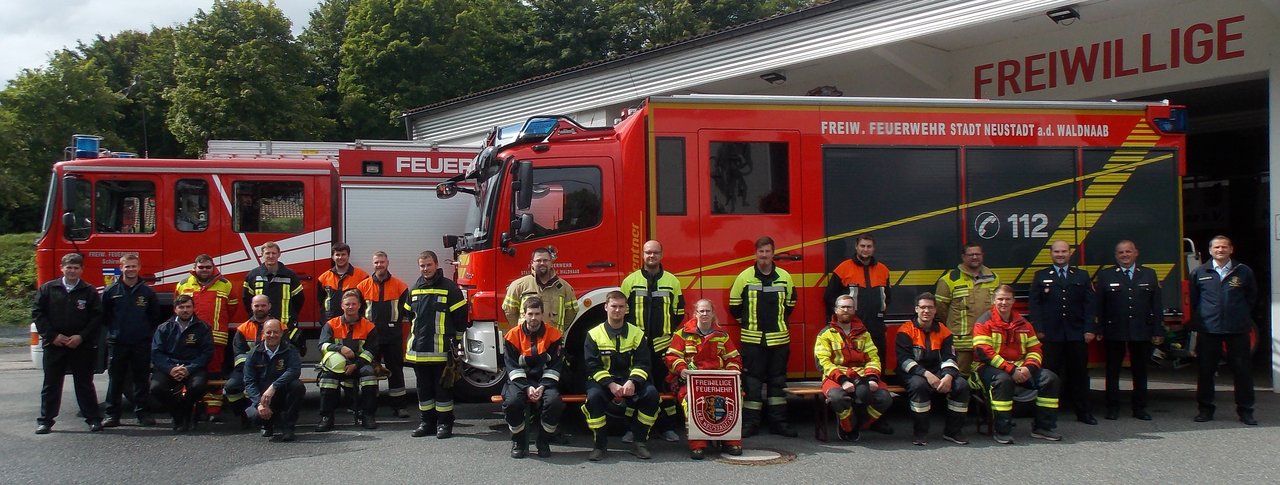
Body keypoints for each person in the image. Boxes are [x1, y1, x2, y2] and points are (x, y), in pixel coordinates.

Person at [973, 285, 1062, 444]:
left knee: (1050, 379)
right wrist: (1011, 369)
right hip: (987, 368)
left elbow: (1035, 349)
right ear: (994, 300)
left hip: (1021, 368)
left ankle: (1043, 427)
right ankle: (1002, 430)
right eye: (1000, 299)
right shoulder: (984, 322)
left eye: (1007, 299)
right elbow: (984, 352)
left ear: (1014, 300)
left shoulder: (1023, 323)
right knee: (1003, 381)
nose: (1003, 302)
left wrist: (1029, 368)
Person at [728, 236, 797, 437]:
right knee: (752, 384)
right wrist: (749, 323)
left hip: (779, 341)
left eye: (767, 252)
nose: (764, 256)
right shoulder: (744, 277)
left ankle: (779, 423)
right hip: (752, 341)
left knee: (778, 383)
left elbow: (790, 304)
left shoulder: (785, 276)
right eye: (761, 252)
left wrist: (777, 323)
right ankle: (751, 424)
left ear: (773, 253)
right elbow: (734, 305)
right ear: (756, 254)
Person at [620, 240, 685, 442]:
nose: (651, 256)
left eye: (655, 253)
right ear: (642, 254)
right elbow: (623, 313)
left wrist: (665, 333)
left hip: (663, 346)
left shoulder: (672, 281)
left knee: (665, 388)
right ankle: (634, 429)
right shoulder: (630, 281)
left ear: (661, 255)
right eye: (648, 252)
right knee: (635, 387)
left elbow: (679, 313)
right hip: (637, 346)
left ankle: (667, 428)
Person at [1189, 235, 1258, 425]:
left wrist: (1238, 314)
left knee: (1242, 372)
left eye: (1224, 247)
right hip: (1209, 329)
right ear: (1210, 251)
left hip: (1237, 329)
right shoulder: (1200, 272)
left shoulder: (1243, 271)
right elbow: (1195, 300)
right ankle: (1205, 410)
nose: (1220, 250)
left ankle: (1246, 411)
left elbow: (1251, 297)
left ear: (1231, 249)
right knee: (1205, 372)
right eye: (1217, 247)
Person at [583, 291, 659, 461]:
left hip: (630, 381)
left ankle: (639, 443)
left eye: (621, 307)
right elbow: (591, 366)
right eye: (613, 306)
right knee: (593, 398)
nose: (617, 310)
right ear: (605, 307)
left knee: (652, 395)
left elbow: (644, 363)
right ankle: (600, 446)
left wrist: (632, 381)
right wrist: (610, 384)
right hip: (604, 382)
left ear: (626, 309)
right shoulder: (593, 334)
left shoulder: (637, 333)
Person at [33, 253, 105, 434]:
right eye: (69, 267)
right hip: (55, 345)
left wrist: (81, 337)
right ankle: (46, 421)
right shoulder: (48, 289)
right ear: (61, 268)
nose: (72, 271)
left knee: (84, 384)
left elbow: (96, 318)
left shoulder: (89, 291)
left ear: (81, 270)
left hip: (80, 345)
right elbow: (38, 313)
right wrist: (52, 336)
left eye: (76, 268)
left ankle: (94, 420)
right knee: (51, 384)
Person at [1027, 240, 1097, 425]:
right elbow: (1035, 306)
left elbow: (1090, 305)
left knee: (1080, 375)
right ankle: (1048, 415)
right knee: (1050, 376)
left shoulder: (1082, 276)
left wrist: (1090, 329)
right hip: (1051, 335)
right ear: (1051, 254)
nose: (1060, 254)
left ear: (1069, 253)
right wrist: (1039, 329)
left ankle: (1084, 413)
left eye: (1063, 251)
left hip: (1076, 334)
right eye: (1056, 251)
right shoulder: (1041, 276)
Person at [1091, 240, 1162, 421]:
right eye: (1121, 253)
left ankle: (1140, 408)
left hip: (1141, 329)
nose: (1125, 255)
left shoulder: (1149, 274)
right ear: (1116, 256)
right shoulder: (1106, 275)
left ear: (1136, 253)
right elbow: (1098, 306)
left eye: (1128, 252)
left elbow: (1156, 306)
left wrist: (1157, 330)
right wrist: (1098, 328)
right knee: (1112, 371)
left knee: (1140, 371)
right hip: (1114, 329)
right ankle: (1112, 408)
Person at [666, 299, 744, 459]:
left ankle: (731, 441)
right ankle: (697, 445)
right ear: (695, 314)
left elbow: (734, 359)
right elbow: (672, 356)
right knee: (691, 402)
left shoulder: (722, 336)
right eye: (701, 311)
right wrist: (682, 370)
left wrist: (732, 372)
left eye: (707, 311)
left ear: (713, 314)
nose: (704, 314)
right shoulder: (682, 334)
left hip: (718, 382)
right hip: (691, 382)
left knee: (734, 400)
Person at [404, 250, 469, 438]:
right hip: (418, 351)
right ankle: (427, 423)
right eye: (422, 266)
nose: (425, 269)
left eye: (429, 265)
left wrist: (456, 342)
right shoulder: (414, 288)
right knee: (423, 389)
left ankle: (445, 425)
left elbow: (460, 318)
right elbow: (410, 315)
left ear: (436, 264)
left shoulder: (450, 288)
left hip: (442, 350)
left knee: (443, 389)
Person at [896, 292, 970, 446]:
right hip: (912, 372)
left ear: (935, 310)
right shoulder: (905, 330)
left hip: (938, 371)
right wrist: (926, 374)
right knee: (919, 385)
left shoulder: (944, 331)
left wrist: (948, 377)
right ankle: (920, 433)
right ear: (916, 309)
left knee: (961, 385)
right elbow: (904, 361)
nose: (926, 311)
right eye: (922, 307)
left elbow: (950, 357)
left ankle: (953, 431)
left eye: (930, 307)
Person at [815, 295, 892, 442]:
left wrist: (872, 378)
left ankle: (860, 422)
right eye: (842, 307)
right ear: (836, 310)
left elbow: (873, 358)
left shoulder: (863, 333)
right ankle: (848, 427)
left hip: (862, 375)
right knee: (837, 398)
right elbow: (822, 362)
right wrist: (843, 380)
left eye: (849, 307)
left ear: (854, 310)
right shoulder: (826, 334)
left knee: (884, 398)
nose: (846, 310)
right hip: (835, 376)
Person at [175, 253, 239, 421]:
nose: (204, 270)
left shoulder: (225, 284)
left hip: (216, 337)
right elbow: (178, 306)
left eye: (208, 267)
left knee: (214, 372)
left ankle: (213, 409)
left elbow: (232, 308)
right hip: (189, 338)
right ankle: (193, 405)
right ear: (194, 268)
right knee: (189, 371)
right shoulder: (183, 284)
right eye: (201, 267)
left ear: (213, 268)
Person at [101, 254, 162, 427]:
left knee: (141, 380)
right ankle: (111, 415)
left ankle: (142, 414)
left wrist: (143, 333)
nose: (130, 269)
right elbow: (104, 317)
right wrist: (116, 332)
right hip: (117, 342)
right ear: (121, 268)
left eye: (133, 266)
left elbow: (154, 317)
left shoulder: (147, 292)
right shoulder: (110, 291)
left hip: (140, 343)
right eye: (127, 266)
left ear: (139, 267)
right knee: (116, 380)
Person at [502, 297, 565, 459]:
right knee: (512, 403)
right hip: (519, 381)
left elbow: (555, 365)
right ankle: (519, 441)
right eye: (530, 314)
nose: (534, 318)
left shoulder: (554, 335)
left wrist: (543, 385)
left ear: (542, 314)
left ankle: (543, 441)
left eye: (537, 314)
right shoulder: (512, 335)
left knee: (554, 403)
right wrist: (526, 387)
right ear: (524, 314)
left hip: (544, 381)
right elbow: (512, 366)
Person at [357, 251, 411, 418]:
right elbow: (358, 312)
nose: (379, 265)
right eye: (376, 262)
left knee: (395, 370)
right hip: (370, 336)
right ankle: (371, 406)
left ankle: (399, 406)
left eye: (382, 262)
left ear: (388, 263)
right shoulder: (362, 286)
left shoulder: (400, 286)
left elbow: (407, 311)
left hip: (392, 335)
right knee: (369, 371)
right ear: (372, 264)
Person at [823, 233, 892, 366]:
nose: (865, 249)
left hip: (876, 325)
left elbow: (887, 297)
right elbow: (829, 297)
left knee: (878, 361)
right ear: (856, 247)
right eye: (862, 246)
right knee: (854, 362)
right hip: (852, 325)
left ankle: (877, 385)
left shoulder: (883, 270)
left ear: (873, 248)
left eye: (869, 246)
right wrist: (842, 319)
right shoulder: (843, 269)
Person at [315, 290, 379, 431]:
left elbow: (372, 351)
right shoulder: (331, 324)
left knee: (369, 377)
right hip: (336, 364)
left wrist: (355, 365)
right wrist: (340, 348)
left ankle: (368, 415)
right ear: (342, 306)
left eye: (353, 304)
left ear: (359, 306)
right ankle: (327, 417)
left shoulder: (369, 326)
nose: (350, 307)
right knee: (327, 378)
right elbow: (322, 345)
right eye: (347, 304)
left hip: (360, 364)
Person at [150, 295, 214, 433]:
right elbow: (156, 353)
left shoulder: (203, 327)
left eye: (188, 307)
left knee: (198, 387)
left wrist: (189, 369)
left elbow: (206, 353)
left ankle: (182, 414)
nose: (185, 310)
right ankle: (179, 414)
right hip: (170, 367)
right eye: (181, 307)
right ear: (175, 309)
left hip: (193, 368)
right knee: (156, 388)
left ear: (193, 308)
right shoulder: (164, 328)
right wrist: (171, 369)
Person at [935, 243, 1000, 376]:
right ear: (963, 257)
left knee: (987, 375)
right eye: (971, 254)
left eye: (978, 254)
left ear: (983, 256)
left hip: (987, 340)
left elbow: (998, 308)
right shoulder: (949, 280)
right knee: (960, 377)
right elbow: (941, 310)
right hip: (961, 343)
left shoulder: (994, 278)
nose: (975, 257)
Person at [224, 295, 285, 426]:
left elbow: (285, 351)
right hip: (247, 368)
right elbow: (239, 354)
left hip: (271, 368)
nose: (260, 308)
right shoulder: (243, 328)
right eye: (256, 306)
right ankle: (244, 414)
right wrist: (250, 368)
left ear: (269, 306)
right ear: (251, 307)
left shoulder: (280, 327)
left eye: (263, 305)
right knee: (231, 387)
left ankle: (275, 417)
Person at [243, 319, 305, 442]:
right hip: (262, 397)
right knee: (254, 416)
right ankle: (267, 424)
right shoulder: (253, 353)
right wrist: (259, 404)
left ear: (281, 333)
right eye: (269, 332)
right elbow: (249, 381)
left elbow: (294, 370)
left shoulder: (289, 350)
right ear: (263, 333)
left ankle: (288, 427)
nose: (272, 335)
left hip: (281, 393)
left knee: (297, 386)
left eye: (276, 332)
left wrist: (274, 386)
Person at [243, 241, 305, 351]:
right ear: (262, 255)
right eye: (267, 253)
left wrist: (291, 317)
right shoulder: (253, 275)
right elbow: (247, 300)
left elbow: (298, 300)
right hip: (260, 327)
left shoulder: (290, 275)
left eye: (273, 253)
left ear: (279, 254)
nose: (271, 256)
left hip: (285, 327)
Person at [502, 247, 577, 332]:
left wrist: (557, 333)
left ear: (551, 262)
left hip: (552, 341)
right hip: (526, 341)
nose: (542, 263)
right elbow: (509, 311)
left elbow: (571, 312)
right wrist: (521, 333)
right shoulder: (518, 286)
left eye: (545, 260)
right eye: (538, 260)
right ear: (532, 263)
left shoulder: (564, 287)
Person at [317, 242, 369, 320]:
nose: (340, 257)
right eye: (337, 255)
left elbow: (366, 302)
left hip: (355, 322)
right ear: (332, 257)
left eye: (343, 254)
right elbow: (321, 301)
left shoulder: (362, 276)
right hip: (331, 322)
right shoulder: (323, 278)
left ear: (348, 256)